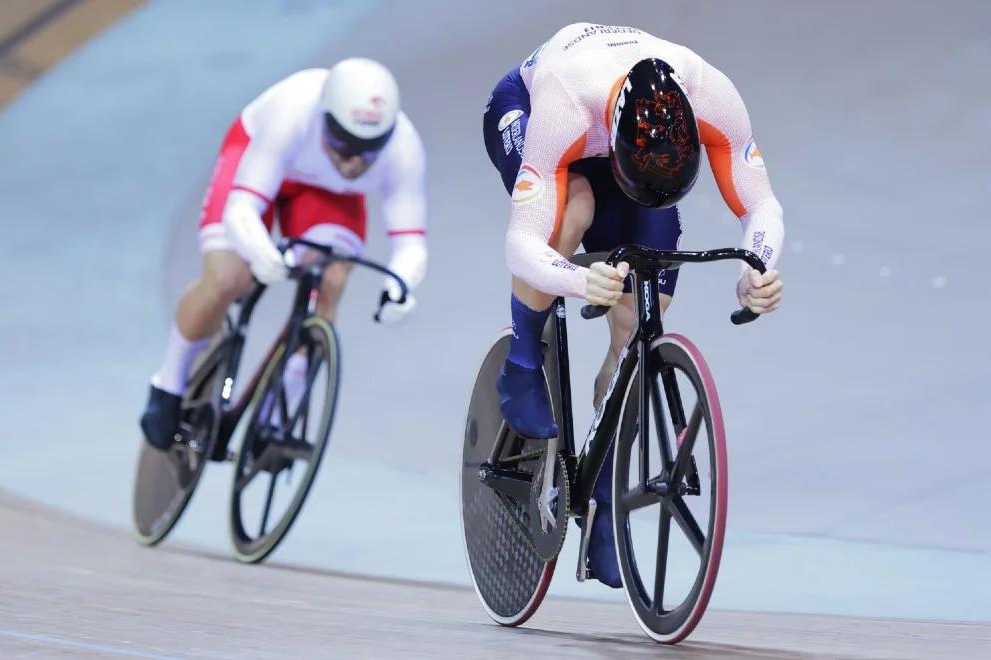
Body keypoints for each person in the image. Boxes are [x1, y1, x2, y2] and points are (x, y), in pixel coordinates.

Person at [482, 24, 785, 587]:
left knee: (638, 325)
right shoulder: (564, 106)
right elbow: (520, 245)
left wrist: (757, 266)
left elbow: (761, 205)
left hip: (635, 158)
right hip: (532, 110)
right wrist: (575, 280)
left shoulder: (711, 94)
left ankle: (603, 504)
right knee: (573, 207)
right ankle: (522, 366)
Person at [141, 57, 427, 450]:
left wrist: (402, 287)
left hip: (325, 195)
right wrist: (260, 252)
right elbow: (242, 207)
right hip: (257, 160)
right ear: (324, 116)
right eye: (343, 142)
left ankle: (277, 414)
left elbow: (410, 242)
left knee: (332, 279)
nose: (353, 161)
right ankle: (168, 384)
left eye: (368, 149)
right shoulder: (293, 112)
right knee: (229, 277)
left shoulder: (404, 148)